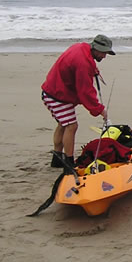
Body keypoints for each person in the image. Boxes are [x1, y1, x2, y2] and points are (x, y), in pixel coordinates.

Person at [41, 34, 114, 171]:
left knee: (63, 124)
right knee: (71, 126)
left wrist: (93, 70)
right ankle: (68, 163)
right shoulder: (83, 63)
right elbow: (85, 92)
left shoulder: (81, 48)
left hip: (53, 90)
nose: (104, 56)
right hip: (57, 95)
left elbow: (80, 73)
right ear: (96, 49)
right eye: (104, 53)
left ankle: (57, 159)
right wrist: (99, 110)